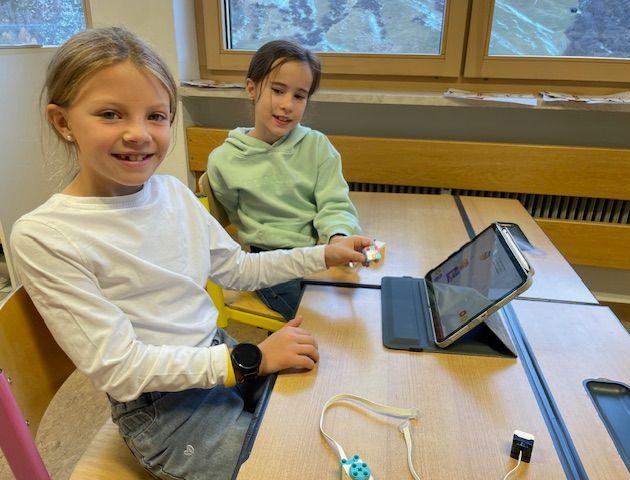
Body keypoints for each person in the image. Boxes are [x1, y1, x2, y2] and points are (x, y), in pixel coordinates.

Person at [9, 27, 371, 480]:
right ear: (63, 122)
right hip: (169, 414)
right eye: (110, 114)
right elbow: (121, 369)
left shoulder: (172, 193)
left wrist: (323, 255)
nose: (138, 134)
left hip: (218, 359)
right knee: (302, 463)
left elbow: (239, 269)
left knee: (332, 410)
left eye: (156, 116)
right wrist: (251, 359)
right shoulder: (46, 235)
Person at [207, 40, 361, 320]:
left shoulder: (317, 146)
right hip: (269, 265)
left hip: (319, 251)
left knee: (362, 304)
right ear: (251, 88)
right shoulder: (223, 160)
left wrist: (337, 237)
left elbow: (334, 203)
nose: (287, 105)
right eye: (278, 90)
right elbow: (234, 215)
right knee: (322, 324)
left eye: (299, 96)